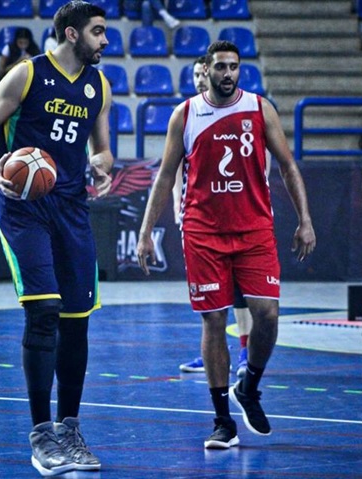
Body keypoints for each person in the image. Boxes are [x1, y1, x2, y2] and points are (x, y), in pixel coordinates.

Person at [137, 41, 316, 449]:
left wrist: (305, 219)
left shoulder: (260, 108)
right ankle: (222, 422)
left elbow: (288, 165)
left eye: (234, 67)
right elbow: (165, 177)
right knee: (214, 321)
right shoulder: (186, 115)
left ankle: (248, 386)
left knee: (267, 315)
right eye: (220, 67)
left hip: (254, 229)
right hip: (203, 232)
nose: (228, 74)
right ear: (208, 70)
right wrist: (146, 231)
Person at [0, 1, 113, 476]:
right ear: (71, 34)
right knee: (44, 310)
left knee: (77, 322)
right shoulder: (27, 74)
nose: (105, 40)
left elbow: (103, 148)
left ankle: (70, 429)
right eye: (97, 31)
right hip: (23, 207)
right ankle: (41, 435)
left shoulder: (99, 85)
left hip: (71, 208)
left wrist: (103, 165)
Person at [175, 56, 252, 379]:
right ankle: (212, 352)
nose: (198, 79)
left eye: (202, 73)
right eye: (194, 74)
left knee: (239, 291)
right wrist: (177, 205)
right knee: (208, 292)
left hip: (237, 215)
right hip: (201, 217)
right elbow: (175, 167)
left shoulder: (241, 110)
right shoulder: (188, 113)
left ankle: (245, 352)